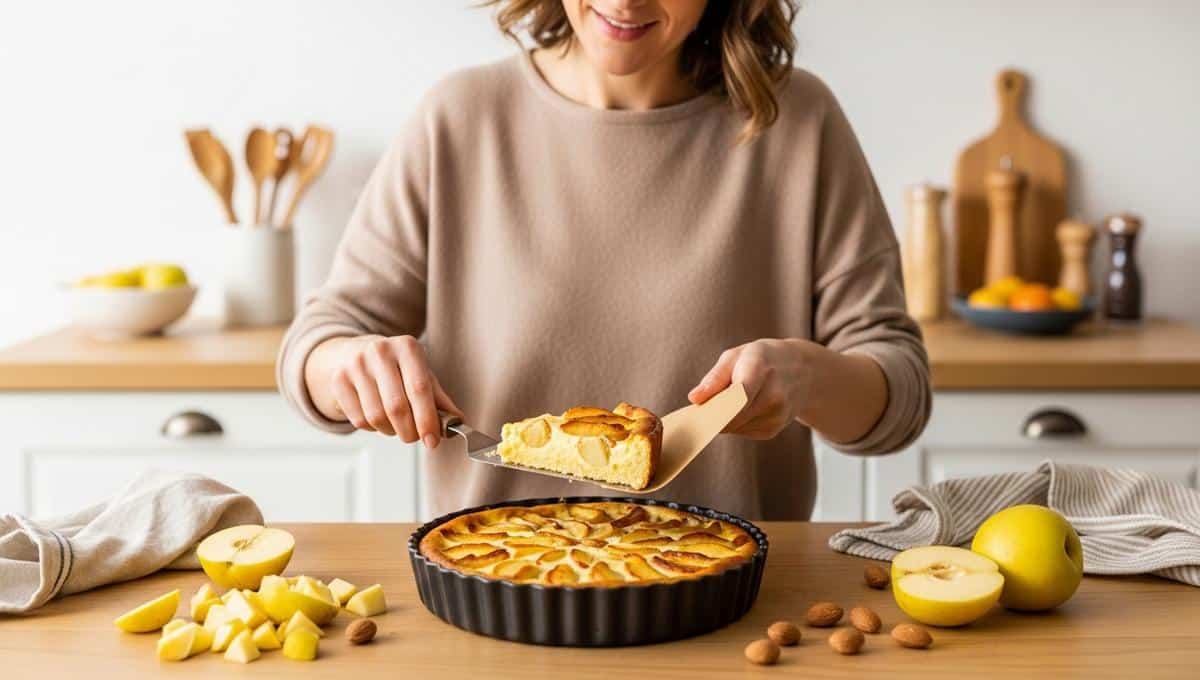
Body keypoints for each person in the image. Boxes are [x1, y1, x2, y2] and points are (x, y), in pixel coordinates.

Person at [277, 0, 931, 520]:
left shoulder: (798, 122)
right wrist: (347, 368)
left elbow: (899, 391)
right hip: (496, 590)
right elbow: (317, 346)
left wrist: (811, 380)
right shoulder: (460, 118)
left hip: (732, 602)